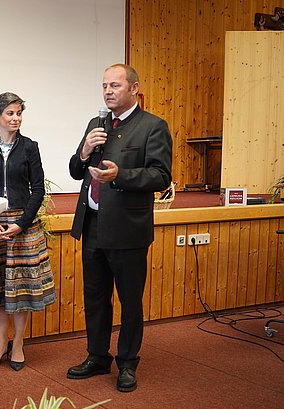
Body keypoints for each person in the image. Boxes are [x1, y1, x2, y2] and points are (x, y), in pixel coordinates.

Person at [66, 64, 172, 392]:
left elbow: (160, 176)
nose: (108, 91)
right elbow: (74, 171)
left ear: (134, 88)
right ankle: (98, 356)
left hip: (128, 228)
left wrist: (120, 177)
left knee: (129, 300)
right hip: (93, 224)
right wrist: (84, 151)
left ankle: (127, 362)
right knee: (96, 298)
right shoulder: (95, 124)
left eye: (115, 85)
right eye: (104, 86)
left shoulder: (152, 127)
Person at [0, 92, 57, 372]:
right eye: (10, 114)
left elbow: (38, 189)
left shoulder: (30, 147)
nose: (15, 118)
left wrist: (22, 224)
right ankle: (0, 343)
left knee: (20, 290)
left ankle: (18, 344)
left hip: (22, 226)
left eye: (19, 113)